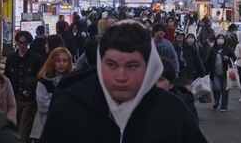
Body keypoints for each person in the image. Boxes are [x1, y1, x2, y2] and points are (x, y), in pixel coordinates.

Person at [39, 20, 207, 143]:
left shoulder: (171, 111)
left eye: (132, 66)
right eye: (111, 65)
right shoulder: (70, 106)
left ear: (148, 68)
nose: (121, 76)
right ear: (99, 63)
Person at [30, 47, 73, 142]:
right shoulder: (44, 80)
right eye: (58, 61)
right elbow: (42, 106)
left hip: (67, 127)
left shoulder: (73, 80)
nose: (61, 64)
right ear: (52, 62)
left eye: (65, 61)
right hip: (45, 125)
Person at [5, 31, 41, 142]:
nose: (22, 45)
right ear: (17, 43)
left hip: (28, 99)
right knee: (13, 127)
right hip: (13, 97)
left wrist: (30, 88)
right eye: (20, 43)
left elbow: (38, 77)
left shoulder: (35, 58)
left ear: (29, 43)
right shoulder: (11, 58)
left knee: (24, 129)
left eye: (25, 43)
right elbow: (7, 76)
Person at [157, 59, 199, 125]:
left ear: (171, 84)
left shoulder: (183, 102)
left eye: (160, 80)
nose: (154, 84)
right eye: (151, 79)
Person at [206, 34, 234, 112]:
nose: (220, 40)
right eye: (219, 38)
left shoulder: (228, 49)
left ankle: (224, 105)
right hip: (214, 72)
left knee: (225, 89)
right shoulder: (212, 49)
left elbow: (234, 58)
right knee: (216, 88)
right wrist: (206, 71)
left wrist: (228, 58)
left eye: (222, 38)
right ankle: (216, 102)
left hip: (226, 73)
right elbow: (208, 60)